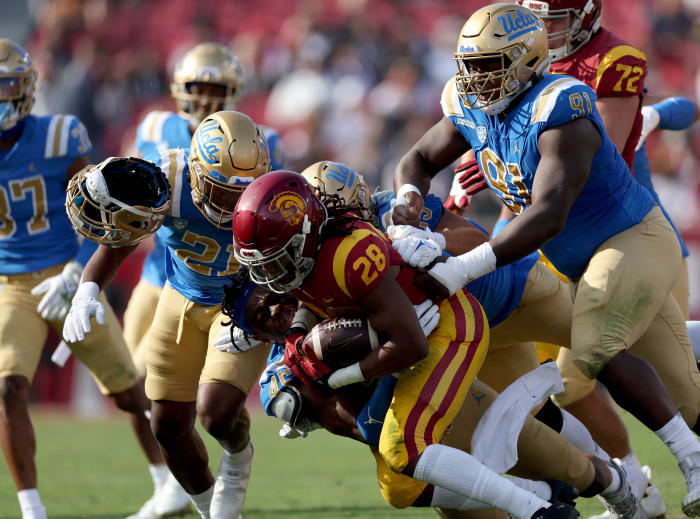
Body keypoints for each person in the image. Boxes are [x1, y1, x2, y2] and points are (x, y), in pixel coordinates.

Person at [391, 3, 700, 516]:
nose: (473, 79)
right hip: (579, 264)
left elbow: (549, 213)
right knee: (689, 395)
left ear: (525, 62)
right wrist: (406, 199)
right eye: (468, 65)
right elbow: (419, 159)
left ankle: (689, 459)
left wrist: (465, 266)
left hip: (633, 240)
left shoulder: (562, 103)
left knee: (590, 351)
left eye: (488, 66)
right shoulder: (470, 102)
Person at [233, 170, 585, 519]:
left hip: (461, 317)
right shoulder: (295, 304)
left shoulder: (354, 249)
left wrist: (434, 243)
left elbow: (418, 327)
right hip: (410, 358)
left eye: (277, 262)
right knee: (400, 481)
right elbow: (366, 426)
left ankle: (567, 498)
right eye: (261, 316)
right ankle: (544, 497)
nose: (274, 285)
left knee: (556, 396)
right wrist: (326, 352)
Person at [63, 111, 271, 519]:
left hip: (242, 308)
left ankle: (237, 459)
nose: (230, 204)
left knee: (215, 414)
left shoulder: (271, 197)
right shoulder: (169, 180)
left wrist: (269, 313)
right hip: (180, 301)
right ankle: (211, 509)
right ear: (195, 170)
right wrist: (87, 290)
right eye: (219, 190)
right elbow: (121, 238)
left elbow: (294, 270)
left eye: (238, 194)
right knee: (167, 426)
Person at [0, 39, 174, 519]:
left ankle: (168, 482)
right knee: (7, 386)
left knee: (127, 390)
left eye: (5, 87)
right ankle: (31, 508)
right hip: (11, 283)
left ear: (26, 89)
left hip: (69, 273)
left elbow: (100, 212)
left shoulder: (59, 135)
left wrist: (77, 270)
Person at [126, 41, 284, 386]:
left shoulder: (255, 141)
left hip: (221, 276)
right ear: (179, 89)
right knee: (130, 379)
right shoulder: (154, 126)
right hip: (159, 270)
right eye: (198, 89)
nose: (205, 100)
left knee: (150, 379)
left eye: (217, 90)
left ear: (234, 92)